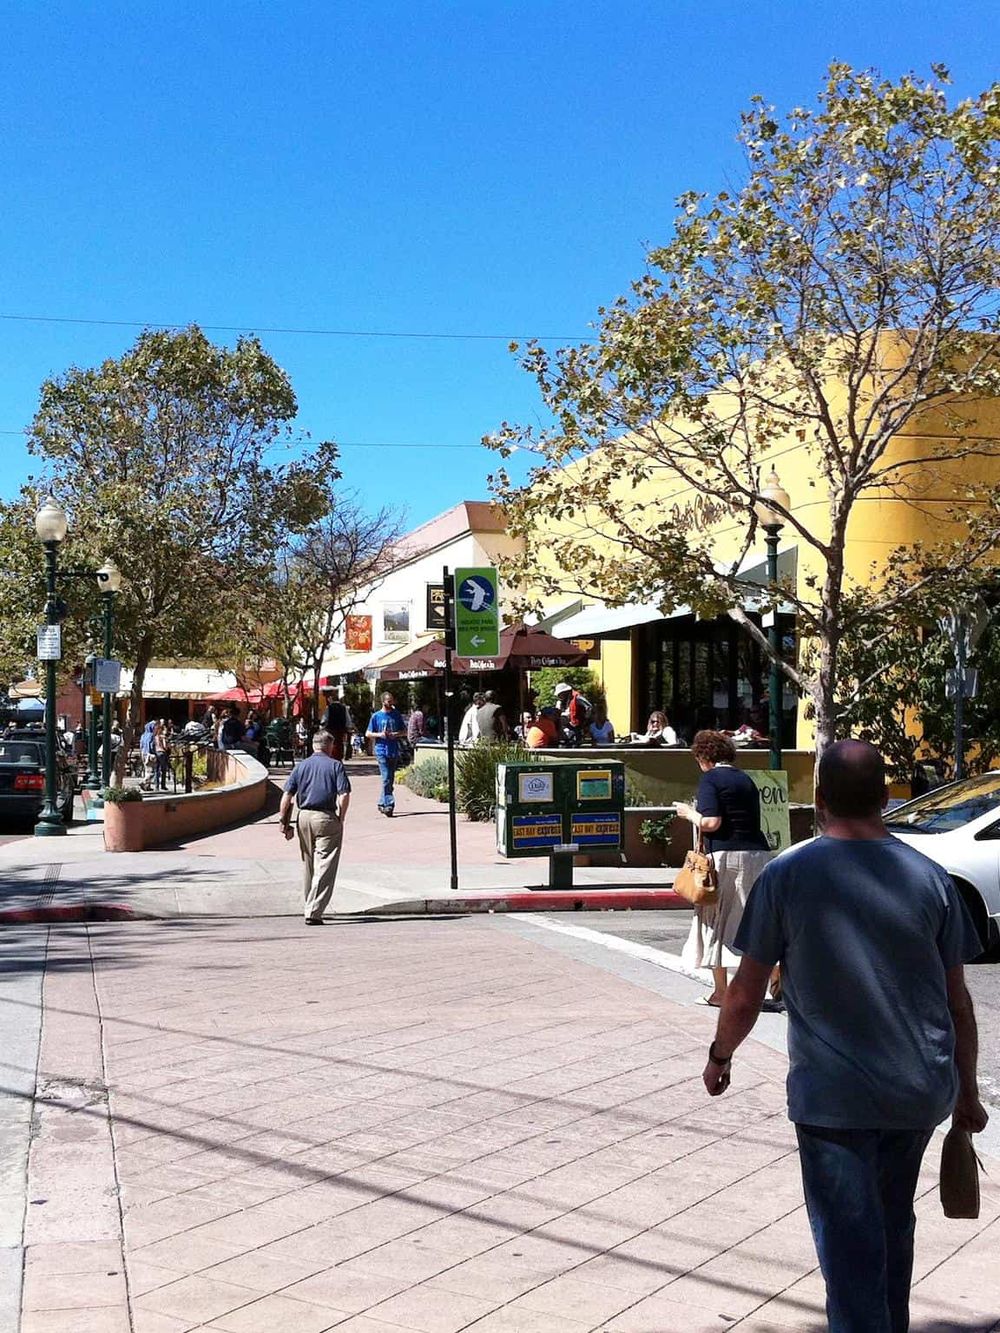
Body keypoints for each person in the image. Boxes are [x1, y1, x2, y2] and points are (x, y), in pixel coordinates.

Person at [702, 740, 987, 1333]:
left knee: (850, 1252)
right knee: (889, 1229)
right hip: (918, 1091)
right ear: (886, 798)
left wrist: (720, 1054)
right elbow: (959, 1004)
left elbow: (747, 992)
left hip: (834, 1099)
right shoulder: (932, 879)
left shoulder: (787, 877)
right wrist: (966, 1094)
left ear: (820, 799)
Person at [675, 730, 772, 1007]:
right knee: (750, 922)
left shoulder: (711, 779)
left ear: (704, 756)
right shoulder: (746, 780)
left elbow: (712, 822)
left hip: (727, 855)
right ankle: (761, 986)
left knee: (717, 920)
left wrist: (688, 813)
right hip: (758, 853)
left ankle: (721, 992)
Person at [278, 729, 352, 924]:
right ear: (330, 746)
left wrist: (283, 822)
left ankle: (309, 904)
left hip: (303, 817)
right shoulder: (336, 765)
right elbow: (344, 794)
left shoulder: (301, 766)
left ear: (313, 746)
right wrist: (341, 818)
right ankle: (313, 910)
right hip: (325, 816)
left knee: (309, 863)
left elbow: (287, 795)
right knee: (325, 864)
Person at [365, 692, 406, 816]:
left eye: (392, 700)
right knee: (386, 777)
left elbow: (404, 731)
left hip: (393, 750)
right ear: (383, 702)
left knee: (390, 779)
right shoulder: (376, 716)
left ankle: (382, 802)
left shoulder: (396, 715)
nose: (391, 703)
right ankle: (389, 805)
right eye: (389, 701)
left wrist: (396, 734)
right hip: (381, 750)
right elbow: (368, 733)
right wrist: (379, 735)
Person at [553, 681, 592, 746]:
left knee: (575, 745)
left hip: (576, 728)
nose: (559, 696)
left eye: (560, 694)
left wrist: (585, 721)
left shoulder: (577, 697)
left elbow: (589, 707)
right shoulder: (560, 702)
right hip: (564, 728)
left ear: (565, 692)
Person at [320, 689, 350, 760]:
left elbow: (324, 720)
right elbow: (348, 720)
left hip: (331, 730)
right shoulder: (343, 708)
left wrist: (322, 728)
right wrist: (348, 728)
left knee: (332, 745)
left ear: (331, 699)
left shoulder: (329, 708)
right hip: (340, 730)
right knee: (339, 745)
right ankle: (339, 759)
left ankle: (331, 758)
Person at [153, 720, 171, 792]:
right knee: (163, 770)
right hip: (162, 753)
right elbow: (165, 746)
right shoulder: (162, 737)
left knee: (156, 770)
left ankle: (156, 786)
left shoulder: (155, 737)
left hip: (156, 752)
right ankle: (163, 785)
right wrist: (168, 747)